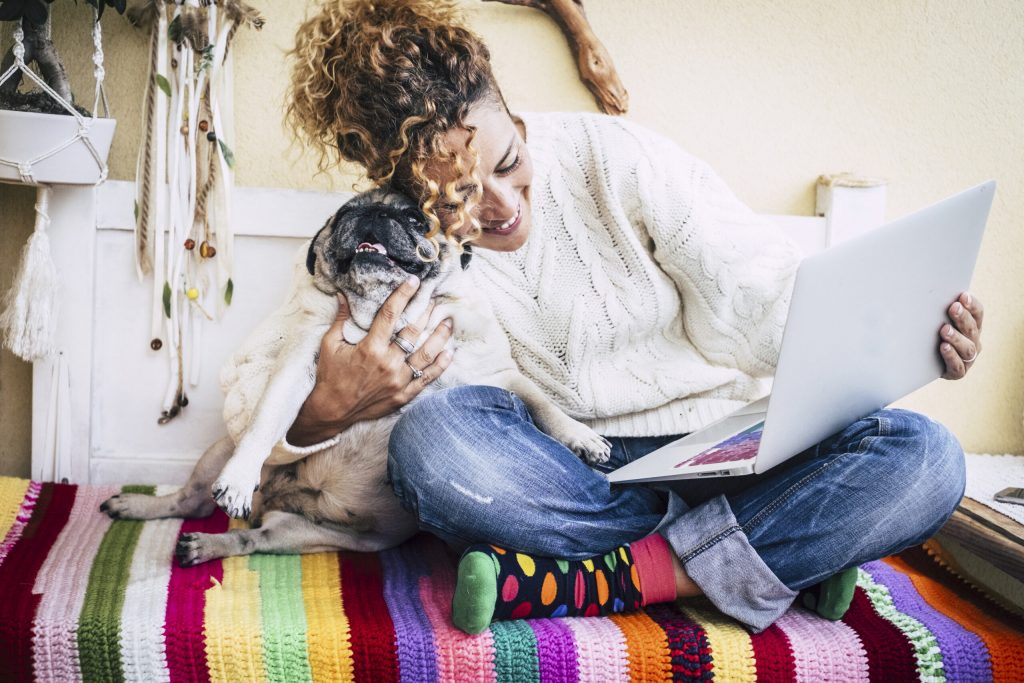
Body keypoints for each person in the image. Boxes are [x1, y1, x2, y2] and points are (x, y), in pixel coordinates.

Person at [269, 0, 984, 635]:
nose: (499, 204)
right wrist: (322, 415)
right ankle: (771, 550)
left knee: (927, 457)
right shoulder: (382, 244)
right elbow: (299, 436)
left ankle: (613, 575)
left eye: (508, 160)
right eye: (457, 196)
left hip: (725, 446)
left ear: (514, 115)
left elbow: (761, 297)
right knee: (433, 445)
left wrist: (907, 335)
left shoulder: (615, 158)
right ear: (402, 188)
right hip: (571, 472)